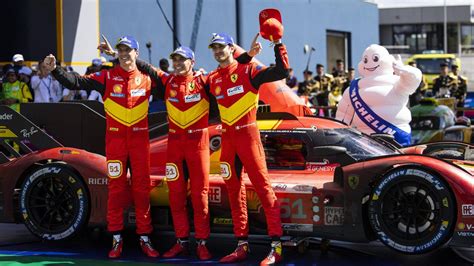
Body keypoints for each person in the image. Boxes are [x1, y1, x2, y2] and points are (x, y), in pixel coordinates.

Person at [99, 36, 260, 260]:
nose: (176, 63)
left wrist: (249, 56)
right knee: (175, 196)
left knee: (199, 196)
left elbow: (229, 68)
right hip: (174, 146)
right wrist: (116, 56)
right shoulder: (167, 81)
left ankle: (202, 243)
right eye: (174, 59)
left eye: (181, 60)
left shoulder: (204, 80)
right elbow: (142, 65)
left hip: (199, 145)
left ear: (191, 62)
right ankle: (181, 241)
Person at [43, 36, 159, 259]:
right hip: (116, 143)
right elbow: (75, 82)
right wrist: (55, 70)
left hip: (139, 143)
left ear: (136, 53)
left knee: (142, 191)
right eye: (121, 51)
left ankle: (145, 238)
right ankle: (116, 239)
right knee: (115, 191)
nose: (125, 54)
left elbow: (167, 82)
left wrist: (116, 55)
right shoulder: (106, 76)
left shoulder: (147, 78)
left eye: (128, 51)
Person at [206, 11, 290, 264]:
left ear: (230, 48)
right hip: (227, 140)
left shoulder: (250, 70)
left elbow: (282, 71)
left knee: (264, 188)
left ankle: (276, 245)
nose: (218, 51)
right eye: (214, 48)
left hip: (248, 136)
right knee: (233, 190)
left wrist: (277, 44)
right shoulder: (211, 79)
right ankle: (242, 244)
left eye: (222, 47)